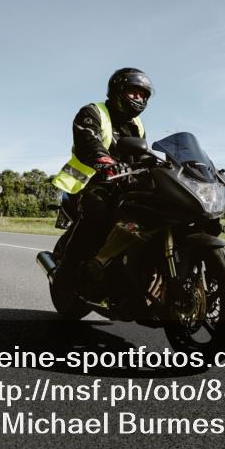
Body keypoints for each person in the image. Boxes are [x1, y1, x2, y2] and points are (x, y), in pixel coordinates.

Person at [51, 67, 153, 300]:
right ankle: (66, 276)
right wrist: (106, 161)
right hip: (88, 182)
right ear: (118, 90)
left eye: (142, 94)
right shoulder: (93, 111)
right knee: (97, 214)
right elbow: (88, 141)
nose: (138, 98)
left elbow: (144, 154)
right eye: (133, 92)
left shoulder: (138, 124)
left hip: (121, 184)